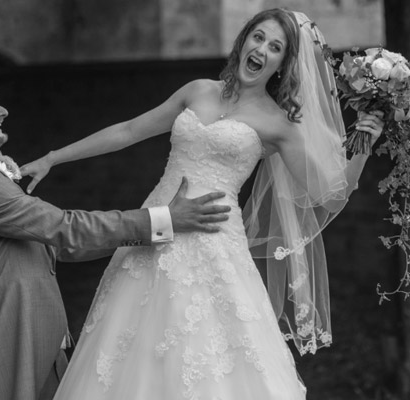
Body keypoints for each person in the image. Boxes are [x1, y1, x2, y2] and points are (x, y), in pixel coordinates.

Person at [22, 8, 384, 399]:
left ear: (282, 63)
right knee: (126, 347)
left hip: (213, 244)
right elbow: (127, 131)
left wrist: (362, 146)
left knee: (204, 357)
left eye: (275, 46)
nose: (262, 48)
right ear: (243, 40)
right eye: (258, 37)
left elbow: (327, 193)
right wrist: (52, 157)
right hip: (153, 227)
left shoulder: (279, 124)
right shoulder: (198, 90)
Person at [0, 73, 232, 400]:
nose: (2, 111)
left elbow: (58, 247)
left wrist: (148, 245)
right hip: (10, 356)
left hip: (43, 354)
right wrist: (162, 219)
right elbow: (66, 227)